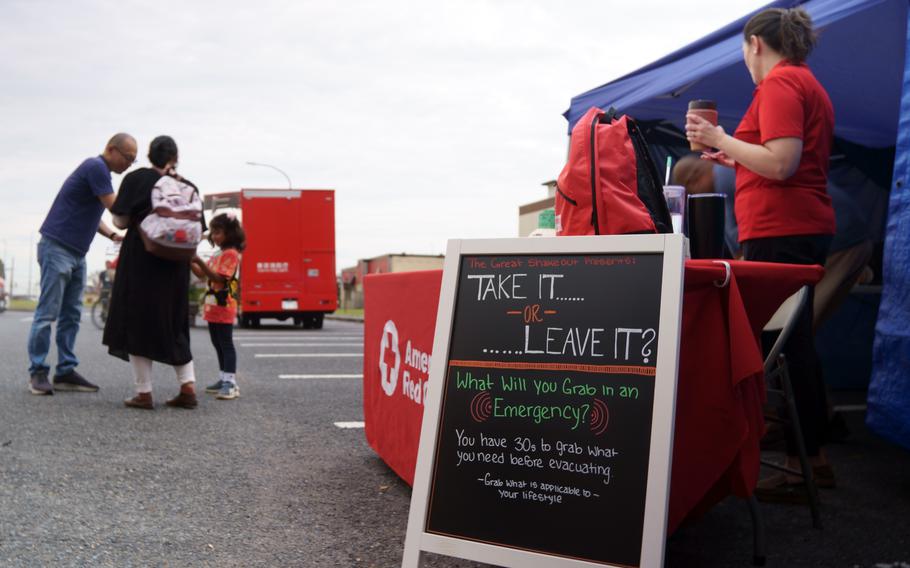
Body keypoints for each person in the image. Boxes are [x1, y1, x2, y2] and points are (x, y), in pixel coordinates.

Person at [685, 7, 836, 503]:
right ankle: (806, 455)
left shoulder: (778, 85)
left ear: (754, 44)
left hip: (782, 229)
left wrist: (720, 137)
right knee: (795, 345)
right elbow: (778, 157)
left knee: (787, 349)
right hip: (796, 225)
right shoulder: (803, 83)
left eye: (743, 54)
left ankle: (801, 462)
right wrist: (733, 156)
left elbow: (783, 162)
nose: (746, 63)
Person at [26, 133, 134, 395]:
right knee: (47, 313)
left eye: (134, 160)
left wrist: (113, 235)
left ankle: (65, 371)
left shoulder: (99, 175)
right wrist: (143, 214)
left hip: (76, 253)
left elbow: (94, 215)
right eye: (128, 158)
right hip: (57, 247)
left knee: (71, 315)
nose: (129, 164)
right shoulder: (96, 167)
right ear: (112, 149)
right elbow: (117, 209)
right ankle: (38, 372)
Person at [102, 136, 204, 410]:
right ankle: (188, 387)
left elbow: (121, 221)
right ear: (175, 157)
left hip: (141, 261)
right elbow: (198, 231)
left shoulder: (137, 180)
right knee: (175, 322)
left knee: (137, 322)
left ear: (149, 156)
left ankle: (144, 393)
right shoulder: (187, 185)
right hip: (176, 265)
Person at [191, 213, 246, 400]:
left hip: (224, 303)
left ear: (230, 233)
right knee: (217, 342)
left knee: (226, 343)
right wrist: (189, 260)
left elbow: (219, 278)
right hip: (213, 305)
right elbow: (201, 275)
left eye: (218, 232)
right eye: (212, 233)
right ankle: (223, 378)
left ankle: (231, 383)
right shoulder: (218, 253)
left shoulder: (231, 254)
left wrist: (197, 260)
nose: (214, 236)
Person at [671, 154, 741, 257]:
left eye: (692, 193)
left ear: (694, 180)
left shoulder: (723, 179)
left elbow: (737, 243)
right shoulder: (723, 173)